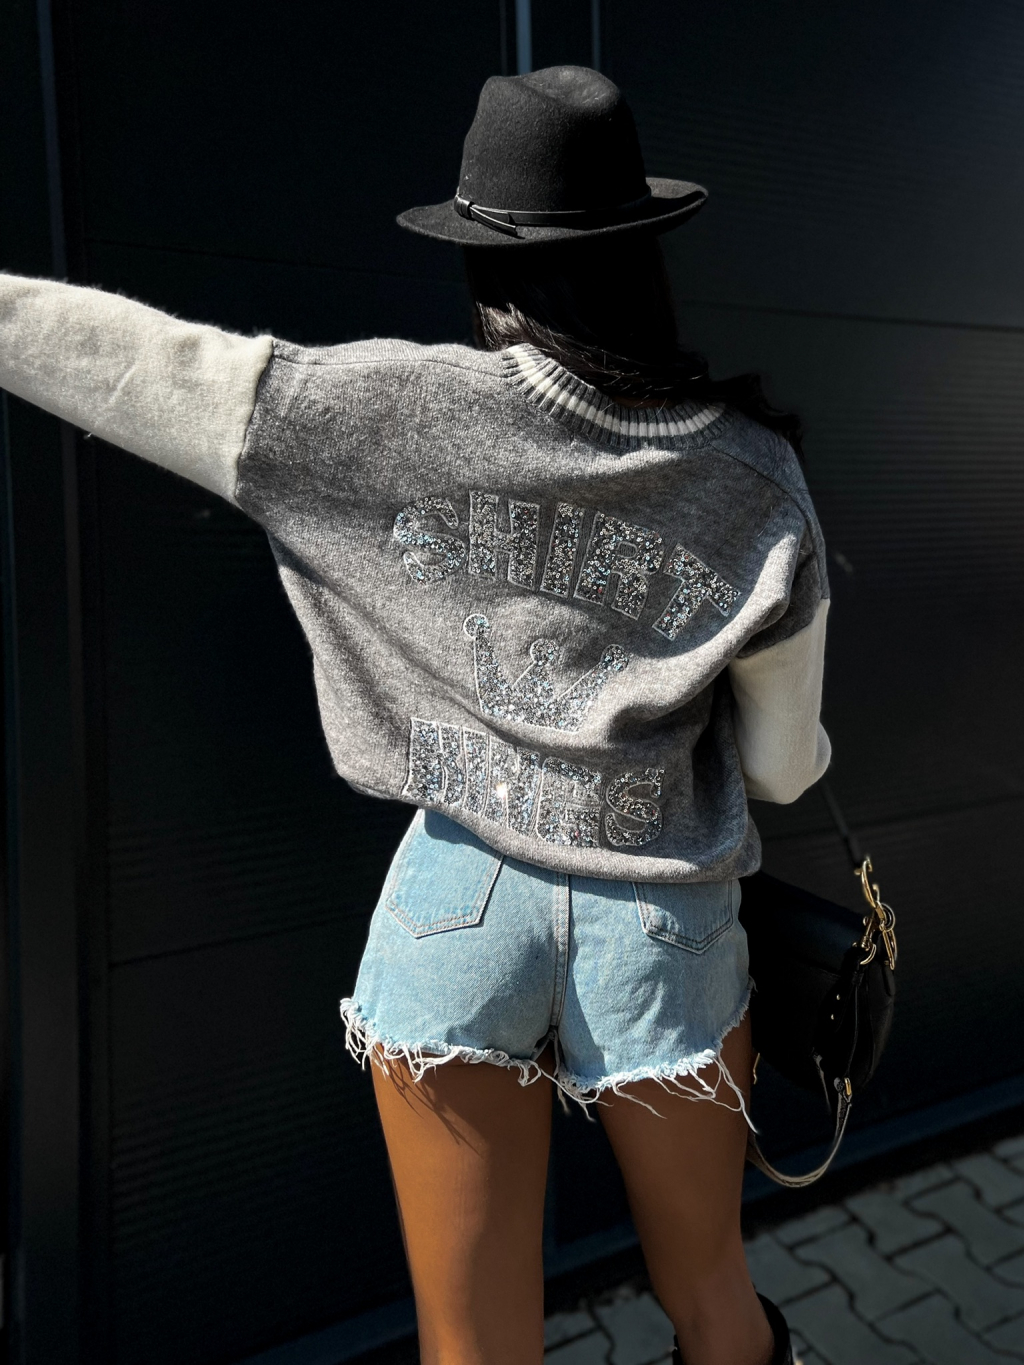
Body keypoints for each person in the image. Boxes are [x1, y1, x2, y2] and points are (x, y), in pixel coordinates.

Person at [0, 65, 828, 1365]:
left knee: (470, 1343)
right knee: (714, 1296)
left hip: (456, 904)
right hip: (660, 914)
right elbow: (782, 768)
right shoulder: (754, 470)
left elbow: (146, 365)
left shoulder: (384, 407)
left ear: (482, 265)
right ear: (643, 251)